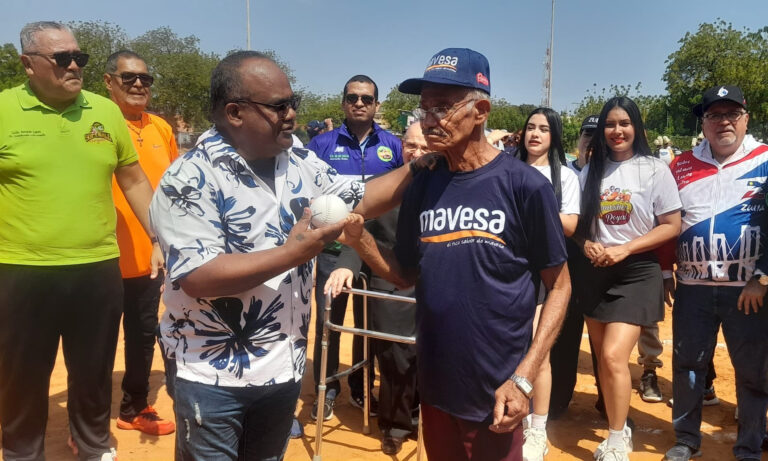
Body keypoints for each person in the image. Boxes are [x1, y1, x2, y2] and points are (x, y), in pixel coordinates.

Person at [149, 50, 413, 460]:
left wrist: (425, 166)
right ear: (235, 112)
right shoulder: (189, 178)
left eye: (294, 103)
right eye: (279, 106)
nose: (291, 114)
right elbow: (199, 275)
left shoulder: (302, 164)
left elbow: (363, 197)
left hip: (284, 366)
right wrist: (292, 253)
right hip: (212, 374)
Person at [341, 47, 571, 461]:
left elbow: (561, 287)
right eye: (424, 108)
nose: (428, 119)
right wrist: (362, 241)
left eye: (443, 107)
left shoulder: (525, 187)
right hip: (437, 383)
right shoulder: (424, 182)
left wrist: (524, 377)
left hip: (497, 391)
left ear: (480, 110)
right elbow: (404, 274)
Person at [0, 22, 159, 461]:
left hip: (97, 267)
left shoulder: (104, 113)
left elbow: (133, 181)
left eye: (80, 58)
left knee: (92, 369)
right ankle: (21, 451)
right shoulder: (3, 110)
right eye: (62, 59)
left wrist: (161, 236)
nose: (74, 66)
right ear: (27, 65)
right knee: (21, 373)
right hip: (20, 269)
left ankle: (91, 444)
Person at [662, 85, 768, 461]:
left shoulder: (765, 159)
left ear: (746, 118)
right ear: (704, 122)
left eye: (731, 114)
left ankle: (750, 447)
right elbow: (665, 219)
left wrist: (762, 277)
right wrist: (663, 270)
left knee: (753, 374)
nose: (723, 121)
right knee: (688, 367)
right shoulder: (680, 164)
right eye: (714, 115)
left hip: (748, 290)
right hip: (692, 289)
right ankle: (686, 440)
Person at [575, 96, 681, 461]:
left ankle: (618, 438)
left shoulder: (654, 168)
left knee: (614, 355)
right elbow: (579, 222)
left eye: (624, 123)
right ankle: (614, 422)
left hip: (636, 270)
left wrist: (627, 248)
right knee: (604, 361)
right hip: (596, 271)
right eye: (609, 124)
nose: (616, 131)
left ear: (637, 127)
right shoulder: (591, 170)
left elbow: (672, 225)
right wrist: (587, 243)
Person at [325, 121, 427, 455]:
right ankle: (397, 423)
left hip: (435, 283)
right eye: (412, 145)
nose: (418, 153)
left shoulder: (451, 187)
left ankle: (427, 415)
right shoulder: (382, 187)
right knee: (397, 354)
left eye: (425, 147)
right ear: (401, 146)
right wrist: (344, 265)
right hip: (390, 283)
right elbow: (358, 232)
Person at [307, 74, 403, 420]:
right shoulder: (321, 145)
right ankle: (327, 389)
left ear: (376, 105)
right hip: (332, 252)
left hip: (375, 253)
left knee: (369, 325)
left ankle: (363, 390)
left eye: (366, 98)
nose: (359, 103)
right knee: (328, 323)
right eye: (353, 97)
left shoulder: (393, 146)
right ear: (344, 102)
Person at [103, 49, 177, 437]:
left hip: (149, 257)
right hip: (99, 258)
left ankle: (134, 406)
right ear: (108, 82)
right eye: (128, 77)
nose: (137, 85)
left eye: (144, 79)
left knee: (142, 335)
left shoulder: (161, 129)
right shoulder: (96, 125)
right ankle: (92, 420)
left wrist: (164, 242)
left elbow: (171, 191)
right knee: (95, 343)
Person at [515, 107, 580, 461]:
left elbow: (570, 224)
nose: (535, 134)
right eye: (530, 127)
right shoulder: (506, 167)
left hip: (544, 271)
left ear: (554, 136)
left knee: (539, 352)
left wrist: (530, 211)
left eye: (543, 129)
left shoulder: (565, 177)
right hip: (504, 268)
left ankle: (537, 429)